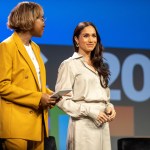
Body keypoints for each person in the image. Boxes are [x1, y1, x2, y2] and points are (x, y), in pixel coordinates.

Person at [0, 2, 57, 150]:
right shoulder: (6, 46)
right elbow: (2, 86)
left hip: (37, 124)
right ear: (29, 19)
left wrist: (51, 95)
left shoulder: (35, 48)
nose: (44, 23)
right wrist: (38, 98)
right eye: (41, 18)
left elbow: (33, 84)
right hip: (16, 125)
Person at [55, 21, 116, 150]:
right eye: (86, 35)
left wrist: (110, 107)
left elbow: (106, 97)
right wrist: (90, 111)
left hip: (103, 125)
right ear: (76, 39)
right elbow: (62, 101)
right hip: (82, 126)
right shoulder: (69, 65)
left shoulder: (99, 66)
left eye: (94, 36)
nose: (91, 40)